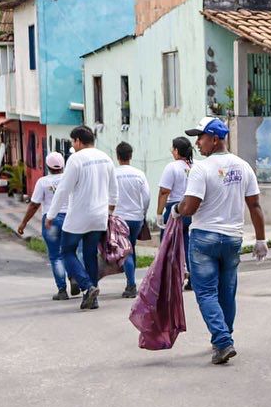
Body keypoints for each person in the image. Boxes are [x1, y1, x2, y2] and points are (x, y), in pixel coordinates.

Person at [176, 117, 267, 365]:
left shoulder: (201, 169)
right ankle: (225, 337)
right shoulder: (243, 167)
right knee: (227, 292)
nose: (197, 143)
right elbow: (255, 205)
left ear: (214, 139)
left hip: (204, 237)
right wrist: (261, 239)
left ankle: (222, 340)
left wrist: (178, 209)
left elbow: (191, 206)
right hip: (232, 239)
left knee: (205, 292)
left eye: (201, 137)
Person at [45, 125, 117, 311]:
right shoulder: (106, 158)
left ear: (78, 141)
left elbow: (63, 189)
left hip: (78, 216)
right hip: (99, 216)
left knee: (66, 251)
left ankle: (87, 286)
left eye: (72, 142)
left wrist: (51, 214)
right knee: (90, 254)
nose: (73, 146)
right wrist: (109, 213)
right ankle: (92, 298)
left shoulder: (76, 159)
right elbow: (114, 191)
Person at [17, 152, 71, 300]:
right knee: (71, 252)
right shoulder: (69, 179)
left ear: (47, 167)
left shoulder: (42, 182)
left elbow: (34, 205)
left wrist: (23, 223)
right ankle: (74, 277)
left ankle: (62, 290)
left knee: (56, 256)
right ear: (63, 166)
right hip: (70, 219)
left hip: (51, 220)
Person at [113, 141, 150, 299]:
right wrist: (143, 213)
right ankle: (131, 279)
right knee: (131, 247)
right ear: (131, 156)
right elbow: (147, 197)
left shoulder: (113, 174)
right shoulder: (139, 174)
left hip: (119, 218)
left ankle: (131, 285)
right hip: (136, 218)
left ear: (117, 156)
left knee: (126, 251)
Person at [156, 136, 194, 287]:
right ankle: (191, 276)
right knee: (187, 244)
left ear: (177, 151)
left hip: (174, 210)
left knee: (168, 245)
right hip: (191, 209)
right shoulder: (194, 166)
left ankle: (172, 279)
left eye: (173, 149)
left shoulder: (172, 167)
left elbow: (164, 191)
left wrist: (159, 213)